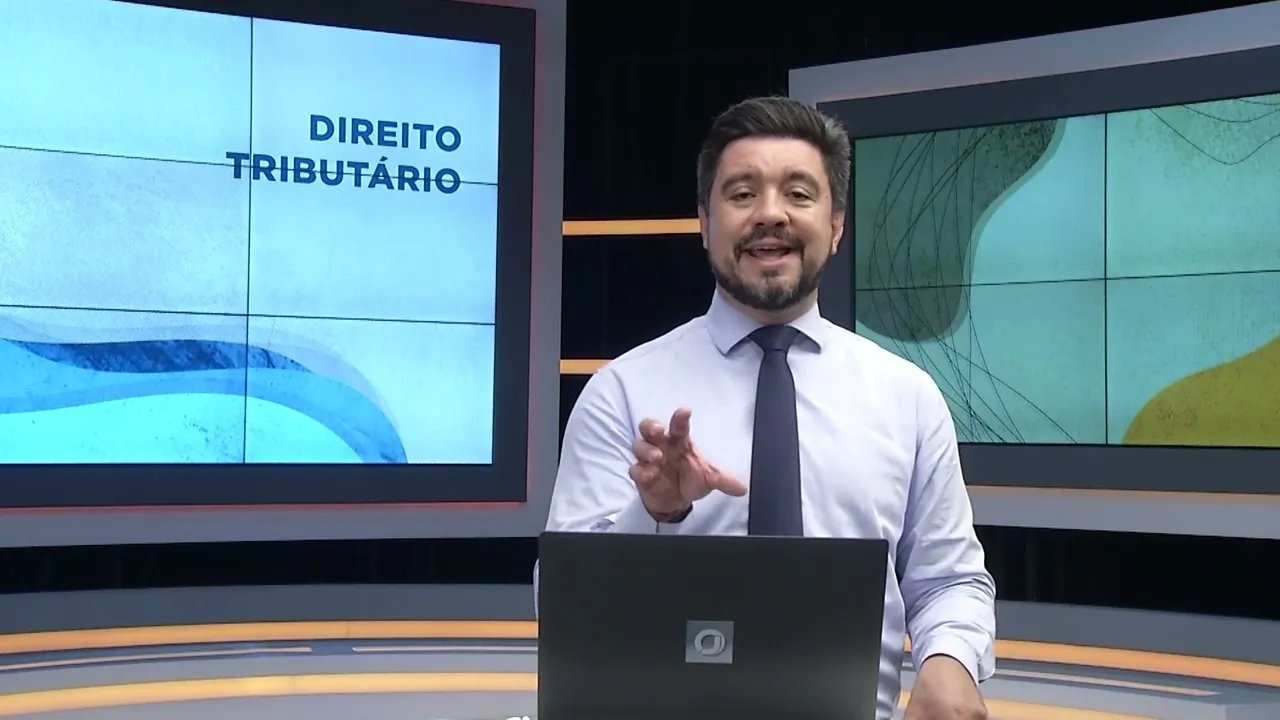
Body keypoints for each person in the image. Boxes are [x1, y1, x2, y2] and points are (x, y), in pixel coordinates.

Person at [541, 95, 996, 720]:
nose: (770, 214)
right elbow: (563, 603)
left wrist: (949, 664)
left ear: (837, 226)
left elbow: (948, 580)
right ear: (705, 223)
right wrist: (654, 513)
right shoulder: (621, 392)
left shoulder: (907, 398)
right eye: (743, 194)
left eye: (799, 194)